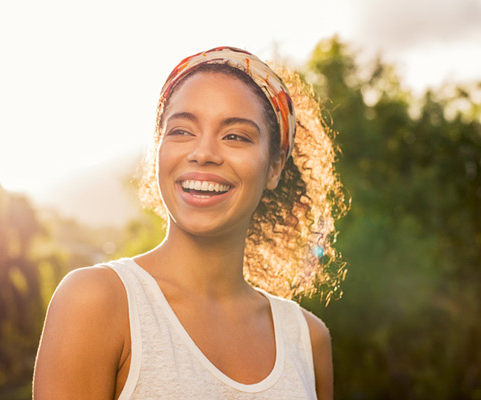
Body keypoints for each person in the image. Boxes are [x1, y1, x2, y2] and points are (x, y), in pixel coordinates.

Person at [33, 46, 346, 399]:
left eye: (235, 136)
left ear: (274, 166)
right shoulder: (96, 302)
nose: (203, 153)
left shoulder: (307, 339)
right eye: (182, 131)